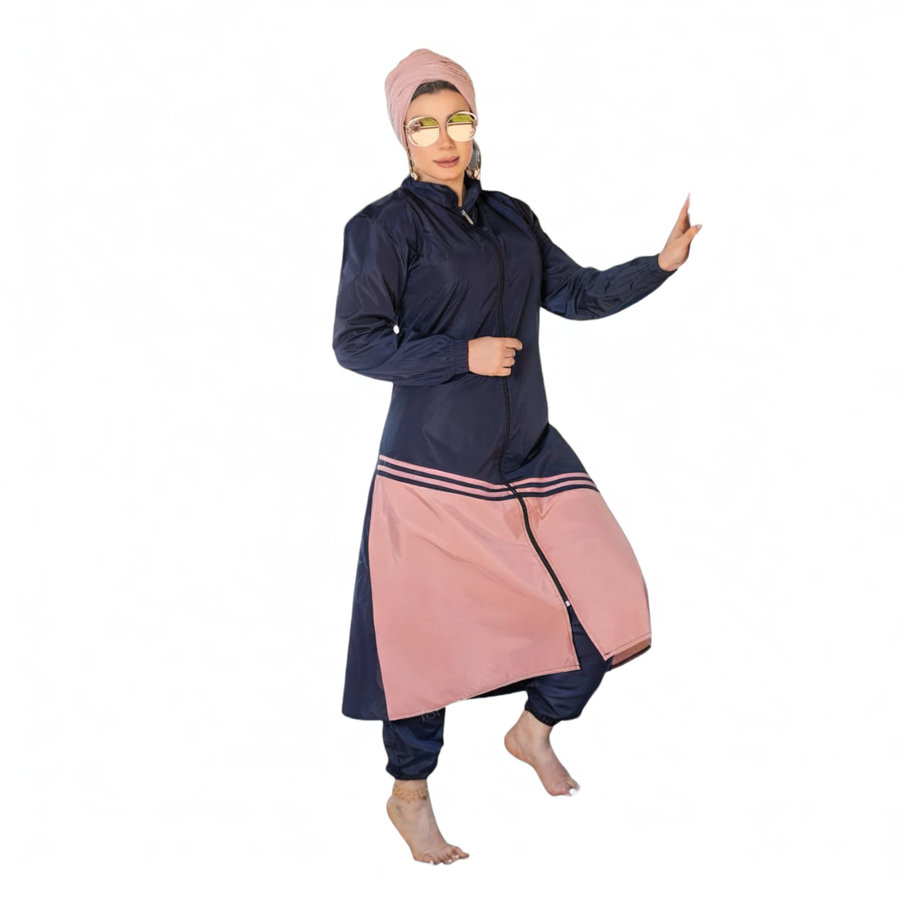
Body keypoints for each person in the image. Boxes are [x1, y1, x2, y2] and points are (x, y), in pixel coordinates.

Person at [332, 48, 702, 865]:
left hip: (531, 455)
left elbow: (575, 293)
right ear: (401, 135)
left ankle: (533, 730)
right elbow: (355, 343)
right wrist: (458, 355)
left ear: (475, 123)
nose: (443, 138)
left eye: (456, 119)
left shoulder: (511, 218)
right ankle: (409, 795)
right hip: (433, 471)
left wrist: (660, 266)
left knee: (611, 600)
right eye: (423, 125)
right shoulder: (383, 227)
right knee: (423, 646)